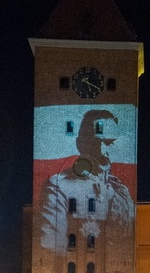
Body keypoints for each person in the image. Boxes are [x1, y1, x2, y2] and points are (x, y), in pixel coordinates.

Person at [40, 109, 136, 254]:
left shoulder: (120, 190)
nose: (108, 145)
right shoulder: (58, 186)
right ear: (81, 144)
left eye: (112, 140)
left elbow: (129, 237)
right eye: (101, 138)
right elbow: (50, 245)